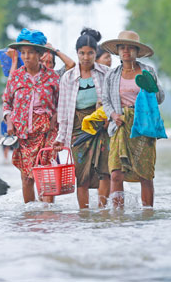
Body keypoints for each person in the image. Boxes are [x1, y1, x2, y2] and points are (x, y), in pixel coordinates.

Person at [101, 31, 165, 208]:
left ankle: (147, 211)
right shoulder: (112, 75)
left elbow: (160, 97)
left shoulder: (148, 71)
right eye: (122, 48)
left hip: (143, 125)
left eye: (130, 47)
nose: (126, 51)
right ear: (118, 52)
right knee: (115, 173)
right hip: (119, 124)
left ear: (137, 51)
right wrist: (114, 115)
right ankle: (117, 214)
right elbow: (105, 100)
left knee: (145, 173)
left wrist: (151, 86)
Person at [53, 28, 111, 209]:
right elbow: (62, 111)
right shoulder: (68, 77)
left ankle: (103, 210)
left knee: (105, 171)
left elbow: (113, 100)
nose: (86, 57)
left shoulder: (106, 73)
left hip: (102, 125)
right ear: (77, 53)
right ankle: (84, 212)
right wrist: (60, 138)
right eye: (82, 53)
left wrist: (108, 114)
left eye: (90, 53)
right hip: (78, 128)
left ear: (96, 53)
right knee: (82, 174)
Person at [2, 28, 59, 203]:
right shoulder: (16, 77)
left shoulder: (52, 77)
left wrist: (54, 123)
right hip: (23, 133)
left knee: (46, 175)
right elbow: (7, 103)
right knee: (27, 177)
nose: (26, 57)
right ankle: (30, 218)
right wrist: (9, 122)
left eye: (30, 53)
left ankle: (48, 215)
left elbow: (61, 105)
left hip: (46, 132)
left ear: (40, 54)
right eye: (23, 53)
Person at [6, 42, 75, 77]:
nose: (44, 64)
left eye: (49, 62)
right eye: (42, 61)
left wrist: (54, 50)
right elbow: (11, 81)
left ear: (53, 65)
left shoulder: (55, 76)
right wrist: (14, 59)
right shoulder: (28, 76)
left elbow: (71, 64)